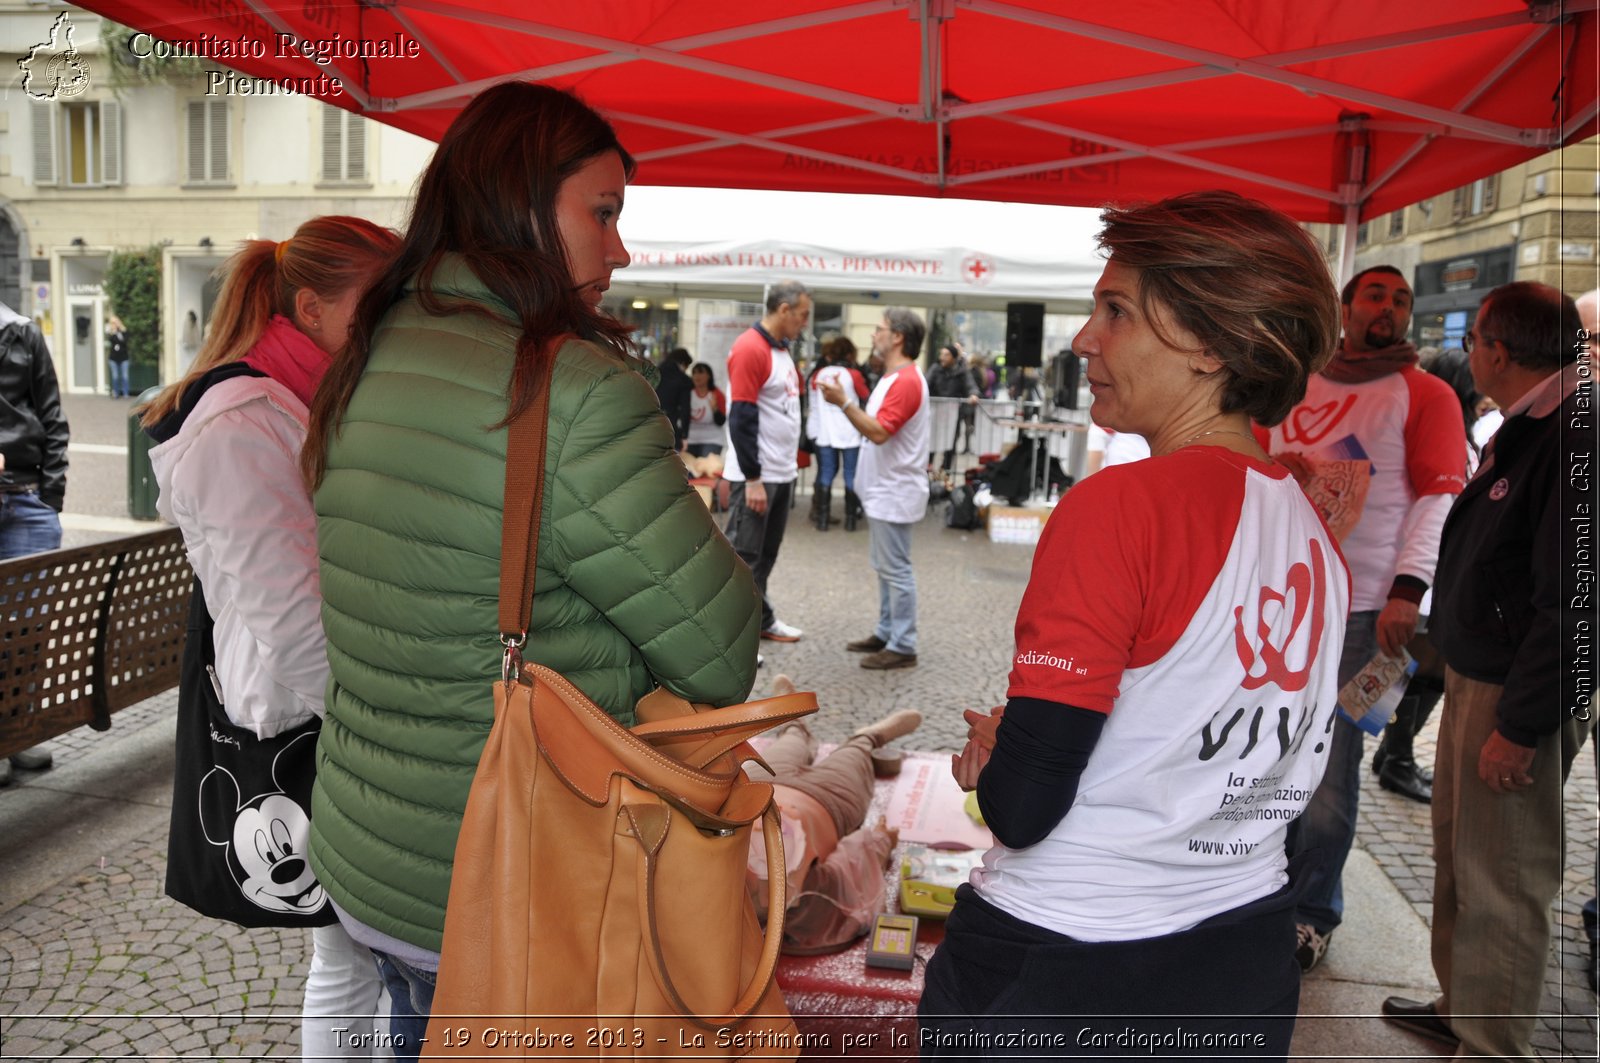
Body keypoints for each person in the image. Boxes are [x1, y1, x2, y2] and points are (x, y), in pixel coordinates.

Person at [299, 83, 761, 1061]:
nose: (619, 249)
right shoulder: (571, 391)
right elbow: (722, 655)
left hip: (370, 856)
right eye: (602, 213)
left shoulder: (369, 355)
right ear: (517, 200)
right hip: (496, 878)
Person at [920, 191, 1349, 1058]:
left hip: (1066, 965)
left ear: (1208, 344)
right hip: (1242, 959)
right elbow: (1212, 741)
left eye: (1115, 309)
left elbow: (1023, 809)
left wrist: (996, 761)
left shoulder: (1120, 507)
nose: (1085, 337)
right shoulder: (1312, 527)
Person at [141, 216, 400, 1061]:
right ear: (313, 305)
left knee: (350, 945)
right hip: (312, 715)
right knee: (352, 945)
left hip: (328, 706)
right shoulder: (241, 421)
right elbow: (293, 621)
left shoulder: (299, 396)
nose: (395, 323)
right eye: (379, 304)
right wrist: (386, 729)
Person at [1381, 282, 1596, 1057]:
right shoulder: (1538, 419)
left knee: (1502, 872)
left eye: (1474, 340)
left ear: (1498, 349)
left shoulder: (1578, 429)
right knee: (1462, 855)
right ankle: (1463, 1004)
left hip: (1517, 689)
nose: (1470, 353)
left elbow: (1577, 601)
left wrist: (1522, 723)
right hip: (1486, 674)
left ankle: (1493, 1041)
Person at [1265, 264, 1467, 972]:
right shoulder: (1294, 378)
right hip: (1281, 604)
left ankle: (1312, 911)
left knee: (1332, 767)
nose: (1390, 307)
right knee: (1264, 748)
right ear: (1345, 307)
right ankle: (1259, 888)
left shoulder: (1427, 394)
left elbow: (1440, 497)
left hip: (1369, 615)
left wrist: (1409, 593)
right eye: (1376, 294)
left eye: (1402, 298)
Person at [1369, 347, 1485, 805]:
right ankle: (1389, 755)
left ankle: (1388, 753)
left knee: (1417, 671)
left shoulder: (1463, 433)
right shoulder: (1440, 434)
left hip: (1435, 577)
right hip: (1420, 575)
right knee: (1399, 672)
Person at [745, 674, 921, 954]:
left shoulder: (692, 862)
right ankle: (868, 736)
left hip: (759, 785)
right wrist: (880, 841)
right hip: (827, 802)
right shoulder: (787, 895)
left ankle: (794, 724)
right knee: (854, 754)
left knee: (790, 742)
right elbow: (841, 877)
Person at [821, 309, 931, 671]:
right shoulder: (897, 377)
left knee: (895, 569)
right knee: (887, 567)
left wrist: (844, 403)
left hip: (894, 490)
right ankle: (888, 632)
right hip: (887, 490)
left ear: (897, 336)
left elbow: (880, 431)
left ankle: (903, 643)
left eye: (880, 329)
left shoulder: (905, 380)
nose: (874, 335)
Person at [0, 300, 69, 788]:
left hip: (26, 502)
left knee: (25, 634)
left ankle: (15, 733)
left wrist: (50, 497)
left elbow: (52, 416)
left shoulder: (22, 332)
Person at [724, 279, 811, 643]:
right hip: (758, 476)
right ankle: (730, 641)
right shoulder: (750, 348)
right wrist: (753, 478)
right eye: (802, 315)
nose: (805, 323)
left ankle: (760, 621)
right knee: (741, 562)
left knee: (765, 556)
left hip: (780, 472)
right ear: (784, 309)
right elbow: (741, 417)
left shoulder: (781, 348)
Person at [806, 335, 867, 532]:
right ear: (850, 354)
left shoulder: (818, 374)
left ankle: (822, 521)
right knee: (851, 475)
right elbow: (867, 397)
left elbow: (813, 404)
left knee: (825, 474)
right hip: (851, 432)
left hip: (825, 432)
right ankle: (850, 522)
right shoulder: (854, 375)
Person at [927, 344, 979, 471]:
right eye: (941, 354)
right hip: (936, 413)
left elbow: (971, 385)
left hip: (953, 415)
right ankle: (928, 471)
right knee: (931, 444)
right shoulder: (935, 369)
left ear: (954, 358)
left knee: (950, 445)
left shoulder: (962, 372)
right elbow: (925, 384)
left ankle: (946, 473)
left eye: (946, 355)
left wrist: (973, 395)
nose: (942, 358)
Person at [685, 360, 727, 457]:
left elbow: (721, 421)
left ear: (709, 376)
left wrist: (715, 409)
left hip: (712, 440)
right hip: (690, 441)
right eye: (694, 373)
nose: (696, 376)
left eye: (700, 372)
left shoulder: (717, 394)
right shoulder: (687, 394)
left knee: (706, 469)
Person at [654, 345, 693, 450]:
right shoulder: (683, 380)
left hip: (650, 426)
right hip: (670, 427)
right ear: (683, 363)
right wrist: (684, 435)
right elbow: (685, 410)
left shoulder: (654, 374)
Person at [105, 314, 130, 398]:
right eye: (113, 323)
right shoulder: (111, 333)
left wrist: (119, 333)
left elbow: (124, 342)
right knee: (115, 377)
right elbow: (113, 340)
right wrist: (114, 332)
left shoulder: (124, 331)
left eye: (116, 322)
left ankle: (125, 393)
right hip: (113, 358)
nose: (115, 324)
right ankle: (116, 393)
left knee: (125, 376)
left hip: (124, 357)